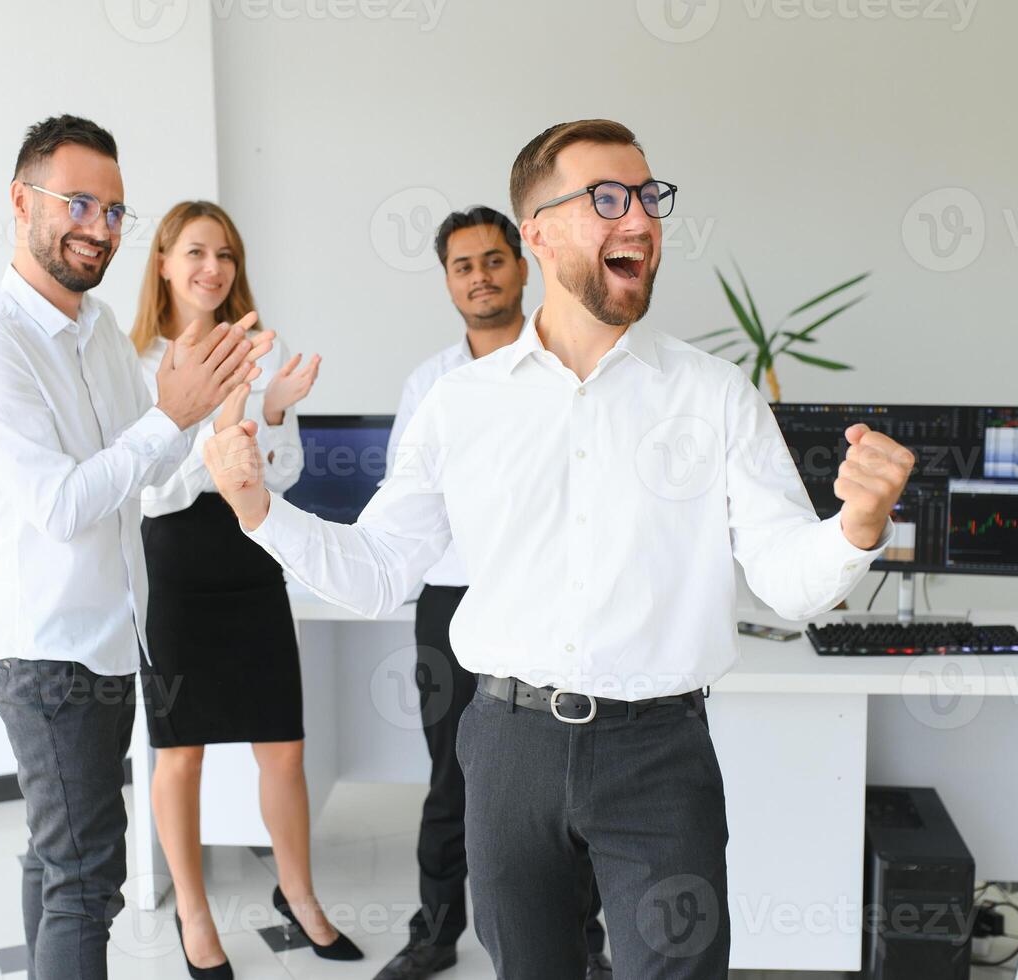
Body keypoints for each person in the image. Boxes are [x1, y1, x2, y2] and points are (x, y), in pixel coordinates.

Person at [203, 119, 915, 979]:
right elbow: (382, 569)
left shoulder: (714, 395)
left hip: (659, 754)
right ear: (535, 231)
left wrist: (855, 527)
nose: (641, 221)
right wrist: (257, 508)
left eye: (649, 198)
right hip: (506, 749)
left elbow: (785, 580)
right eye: (607, 199)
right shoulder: (459, 405)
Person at [0, 115, 272, 980]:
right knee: (87, 887)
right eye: (79, 202)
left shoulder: (96, 332)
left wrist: (205, 408)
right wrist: (170, 413)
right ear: (22, 201)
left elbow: (146, 481)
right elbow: (60, 505)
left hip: (107, 645)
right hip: (49, 652)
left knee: (55, 866)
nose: (100, 227)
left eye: (116, 210)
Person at [374, 206, 610, 980]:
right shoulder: (431, 384)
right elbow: (412, 502)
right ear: (448, 281)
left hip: (555, 598)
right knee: (452, 771)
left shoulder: (572, 363)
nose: (479, 276)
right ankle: (435, 931)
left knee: (564, 775)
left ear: (522, 263)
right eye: (462, 265)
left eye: (492, 260)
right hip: (454, 600)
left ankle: (583, 942)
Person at [129, 201, 359, 977]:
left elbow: (285, 475)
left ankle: (300, 899)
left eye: (224, 253)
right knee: (179, 753)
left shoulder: (265, 348)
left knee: (284, 747)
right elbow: (150, 488)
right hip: (177, 564)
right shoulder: (137, 361)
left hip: (251, 548)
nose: (212, 268)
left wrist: (265, 413)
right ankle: (194, 916)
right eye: (194, 251)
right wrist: (219, 433)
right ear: (162, 261)